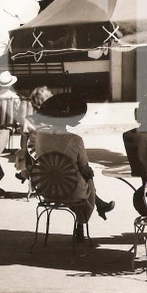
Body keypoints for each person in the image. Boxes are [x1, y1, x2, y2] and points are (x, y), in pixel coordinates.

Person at [32, 94, 115, 241]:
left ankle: (99, 205)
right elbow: (85, 168)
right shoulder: (75, 140)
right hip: (70, 191)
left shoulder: (40, 136)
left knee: (73, 177)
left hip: (46, 189)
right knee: (87, 177)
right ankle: (81, 222)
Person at [16, 85, 53, 181]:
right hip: (53, 157)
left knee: (24, 151)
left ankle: (24, 173)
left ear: (32, 104)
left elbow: (24, 143)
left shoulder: (28, 121)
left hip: (34, 159)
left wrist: (23, 150)